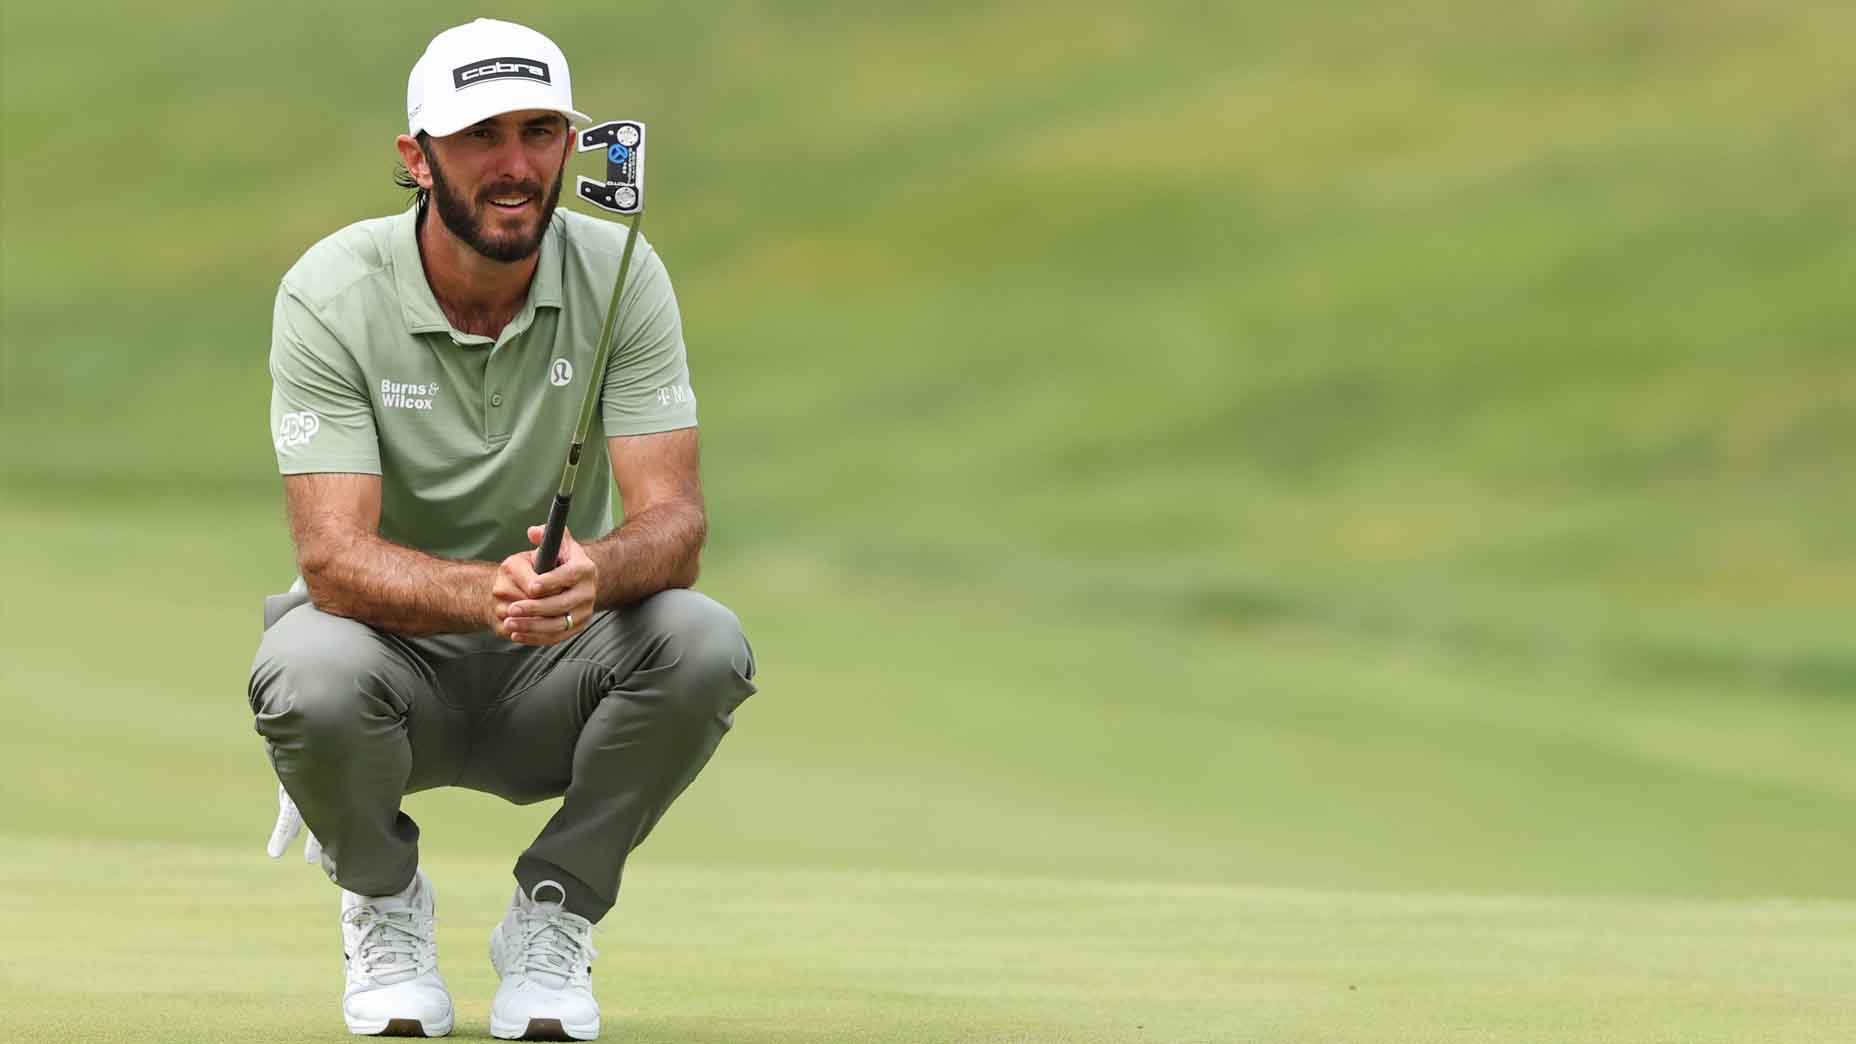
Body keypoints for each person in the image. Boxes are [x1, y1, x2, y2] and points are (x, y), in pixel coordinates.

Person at [247, 18, 757, 1041]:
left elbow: (675, 525)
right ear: (417, 157)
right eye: (480, 135)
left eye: (539, 132)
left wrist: (593, 569)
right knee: (306, 669)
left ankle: (554, 912)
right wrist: (486, 590)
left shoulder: (621, 271)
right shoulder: (331, 290)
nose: (515, 165)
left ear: (572, 144)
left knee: (704, 640)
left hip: (558, 661)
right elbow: (331, 558)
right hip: (390, 667)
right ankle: (384, 902)